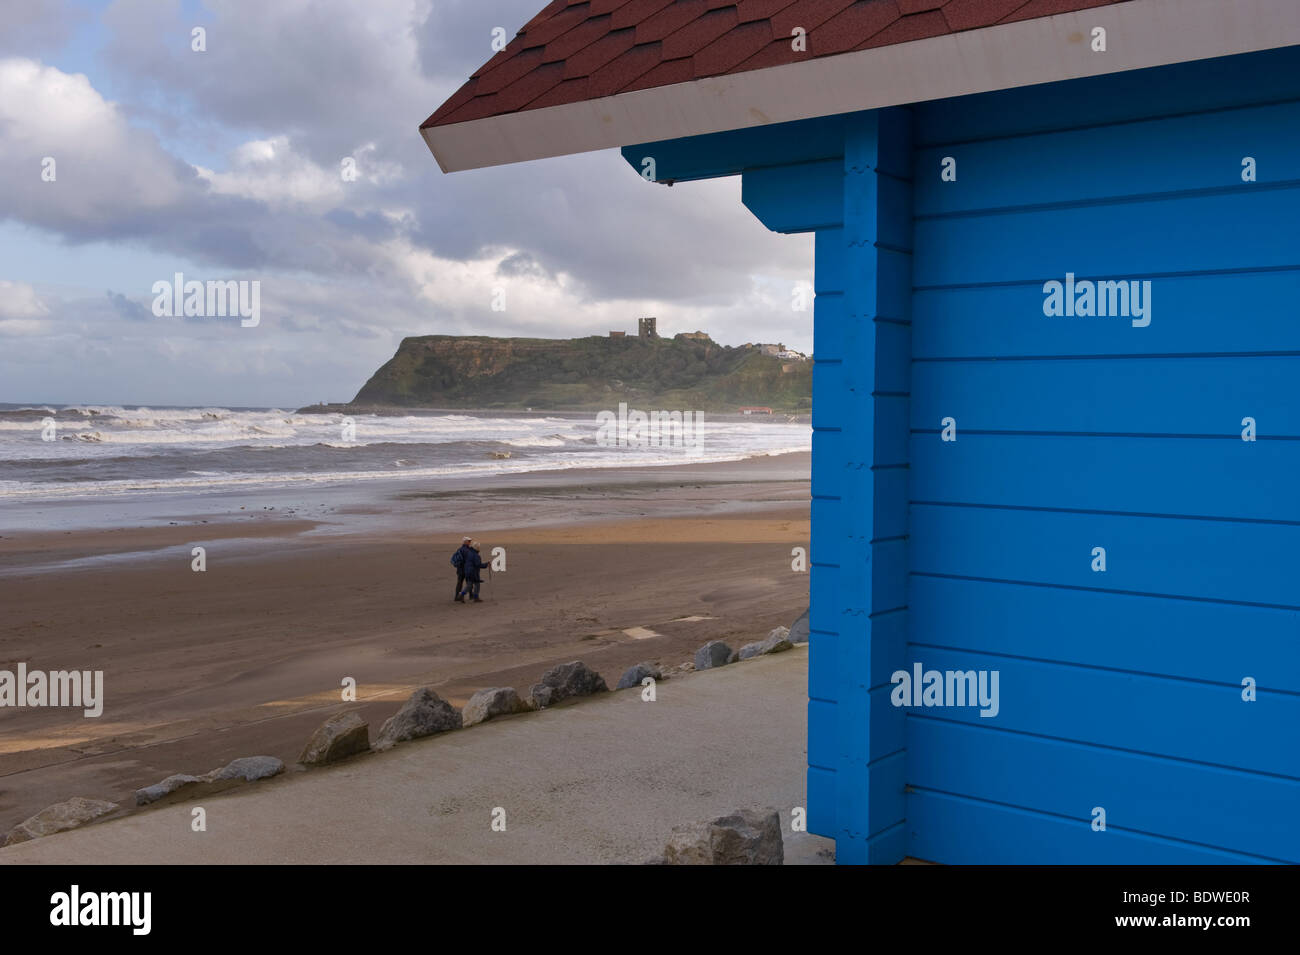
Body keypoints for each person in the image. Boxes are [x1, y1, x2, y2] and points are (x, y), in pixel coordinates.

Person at [451, 536, 472, 602]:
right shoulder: (466, 550)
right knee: (469, 583)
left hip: (460, 569)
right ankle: (469, 595)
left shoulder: (460, 549)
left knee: (459, 583)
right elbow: (468, 560)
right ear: (465, 542)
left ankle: (457, 596)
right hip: (465, 569)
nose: (470, 542)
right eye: (469, 541)